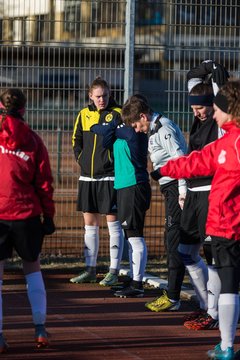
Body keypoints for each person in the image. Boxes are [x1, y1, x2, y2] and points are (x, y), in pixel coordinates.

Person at [151, 79, 240, 360]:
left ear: (231, 109)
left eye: (217, 109)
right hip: (226, 225)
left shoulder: (229, 144)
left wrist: (164, 169)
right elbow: (195, 162)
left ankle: (226, 346)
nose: (213, 114)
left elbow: (196, 161)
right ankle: (225, 345)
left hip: (228, 225)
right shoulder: (224, 142)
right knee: (229, 283)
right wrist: (165, 169)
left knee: (229, 284)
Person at [116, 95, 188, 311]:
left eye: (137, 125)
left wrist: (183, 191)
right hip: (170, 187)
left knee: (174, 241)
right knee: (176, 242)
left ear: (143, 116)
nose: (136, 130)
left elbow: (181, 159)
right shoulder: (155, 129)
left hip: (177, 188)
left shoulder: (164, 129)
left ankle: (174, 297)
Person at [0, 88, 55, 353]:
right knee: (32, 268)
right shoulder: (33, 140)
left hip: (0, 214)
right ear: (24, 109)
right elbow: (44, 183)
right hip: (27, 214)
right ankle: (40, 328)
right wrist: (49, 215)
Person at [91, 95, 151, 298]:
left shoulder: (133, 133)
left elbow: (104, 129)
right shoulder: (122, 132)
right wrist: (107, 128)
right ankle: (134, 280)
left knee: (135, 236)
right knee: (130, 235)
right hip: (124, 186)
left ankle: (137, 284)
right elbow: (105, 136)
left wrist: (107, 126)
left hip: (134, 186)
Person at [70, 77, 124, 286]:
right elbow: (76, 141)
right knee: (89, 225)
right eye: (98, 96)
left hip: (109, 177)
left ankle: (113, 271)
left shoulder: (118, 114)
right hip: (87, 177)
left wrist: (110, 162)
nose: (102, 100)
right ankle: (90, 269)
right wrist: (81, 159)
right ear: (90, 96)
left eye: (105, 95)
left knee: (113, 225)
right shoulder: (83, 114)